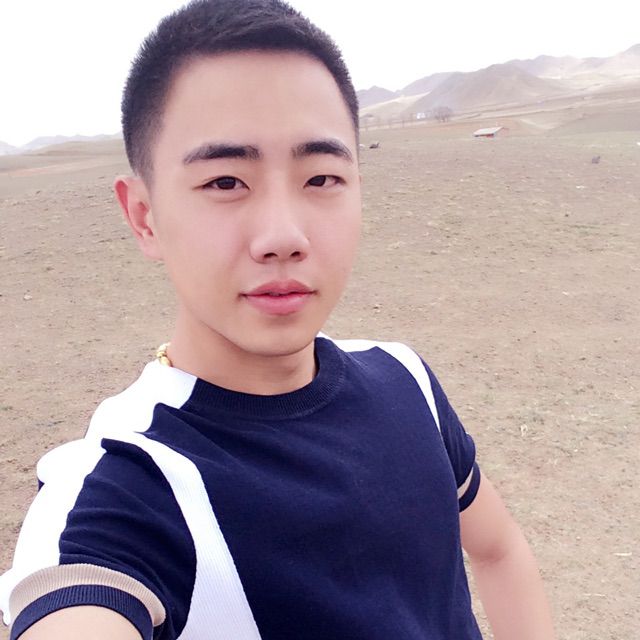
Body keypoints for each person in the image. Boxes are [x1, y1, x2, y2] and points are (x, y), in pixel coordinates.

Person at [0, 1, 555, 638]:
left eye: (321, 178)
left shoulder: (406, 380)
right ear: (144, 217)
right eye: (225, 182)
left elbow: (498, 549)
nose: (283, 236)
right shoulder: (128, 485)